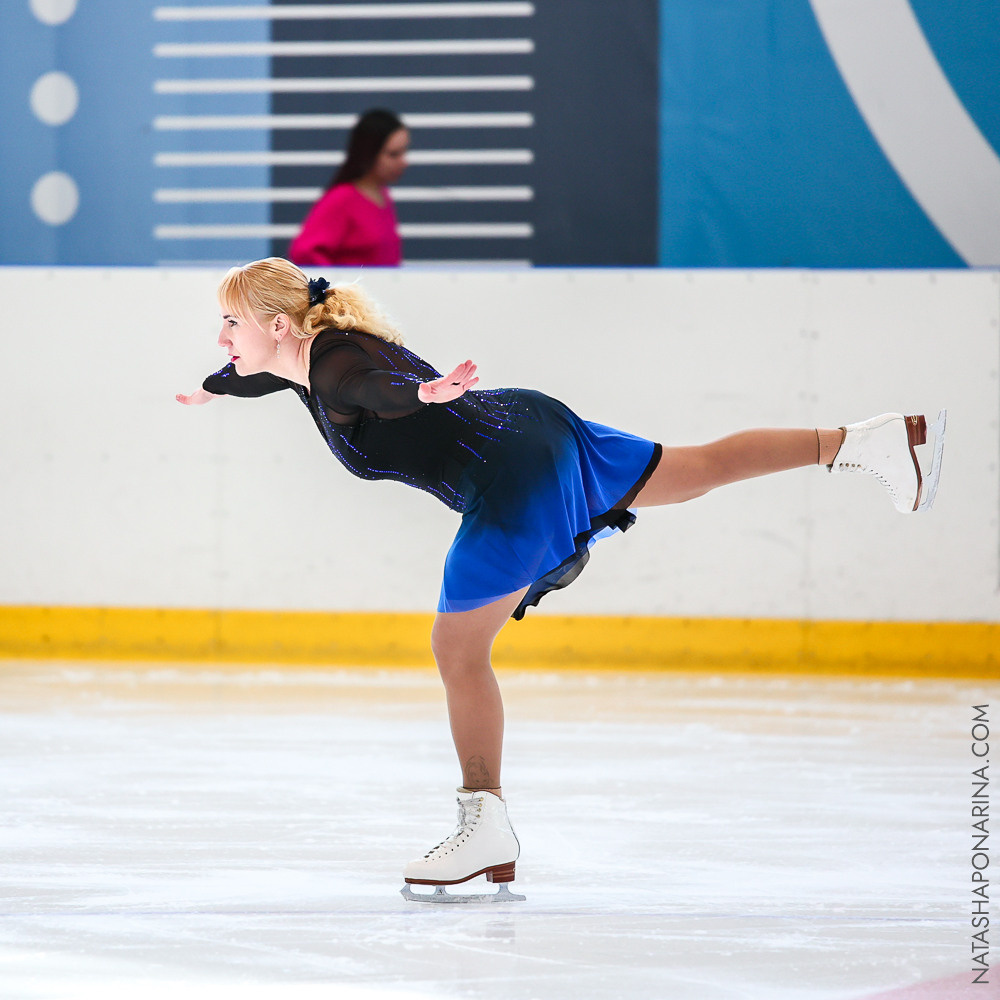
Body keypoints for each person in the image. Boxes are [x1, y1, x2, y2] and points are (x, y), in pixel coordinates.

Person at [176, 257, 946, 903]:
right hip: (528, 424)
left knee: (458, 650)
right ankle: (874, 442)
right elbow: (261, 378)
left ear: (280, 327)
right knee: (694, 470)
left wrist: (421, 396)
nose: (222, 338)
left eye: (231, 325)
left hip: (512, 474)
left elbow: (377, 392)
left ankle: (485, 822)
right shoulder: (307, 358)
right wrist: (215, 385)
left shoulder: (340, 365)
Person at [288, 109, 408, 267]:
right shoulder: (342, 199)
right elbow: (304, 252)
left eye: (404, 152)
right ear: (368, 153)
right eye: (393, 154)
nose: (403, 162)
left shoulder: (383, 195)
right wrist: (334, 288)